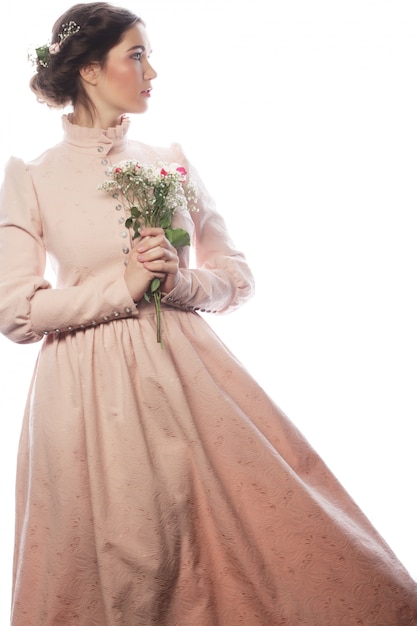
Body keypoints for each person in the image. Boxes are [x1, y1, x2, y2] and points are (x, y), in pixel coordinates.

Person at [0, 3, 416, 624]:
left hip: (189, 379)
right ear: (90, 69)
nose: (152, 71)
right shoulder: (32, 177)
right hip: (85, 400)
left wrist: (177, 281)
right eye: (136, 55)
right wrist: (124, 285)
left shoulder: (168, 157)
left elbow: (237, 277)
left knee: (258, 538)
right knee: (126, 568)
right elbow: (17, 313)